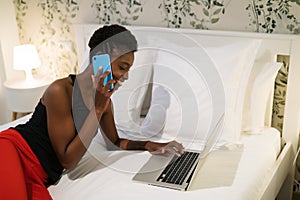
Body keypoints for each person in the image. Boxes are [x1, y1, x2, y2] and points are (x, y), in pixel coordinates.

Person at [0, 24, 184, 200]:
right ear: (100, 58)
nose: (125, 77)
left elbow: (115, 142)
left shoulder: (104, 103)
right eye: (122, 67)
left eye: (128, 70)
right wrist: (97, 108)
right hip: (15, 150)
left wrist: (149, 145)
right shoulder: (61, 91)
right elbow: (67, 161)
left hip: (40, 175)